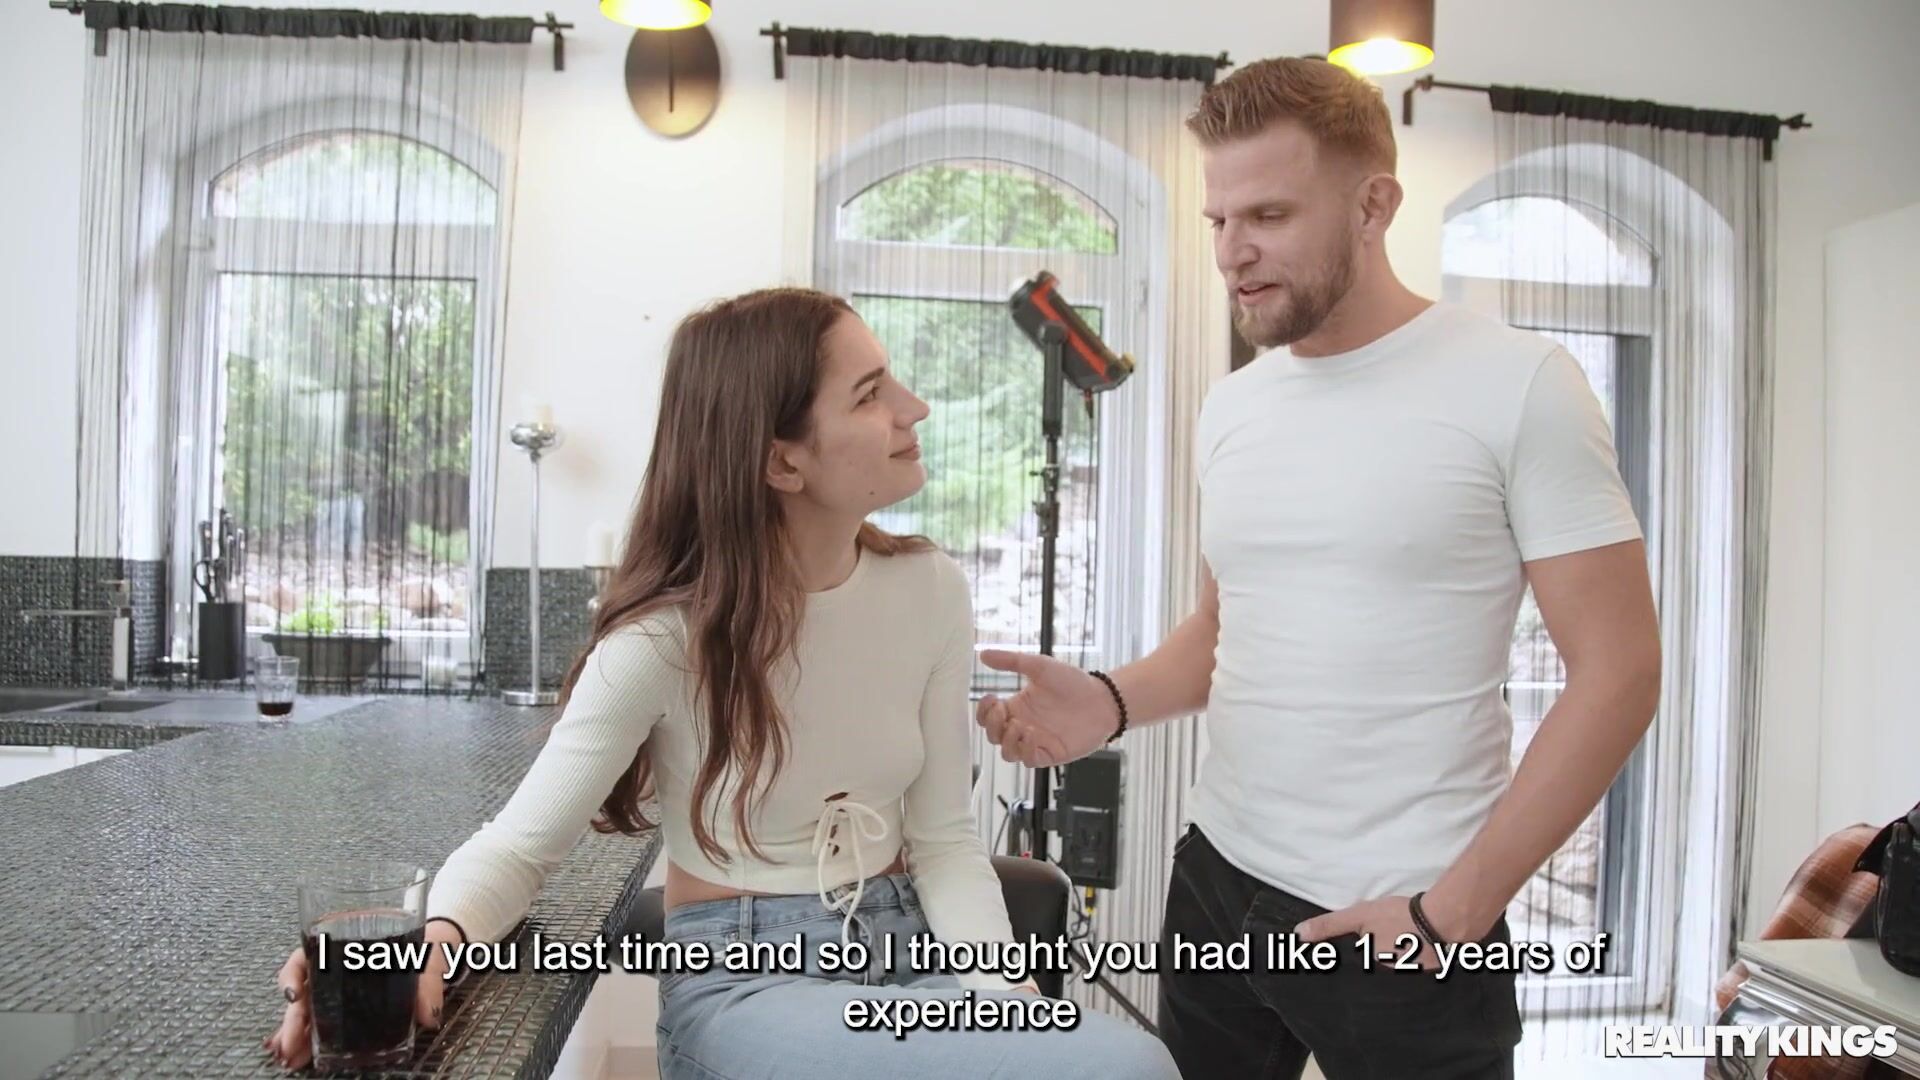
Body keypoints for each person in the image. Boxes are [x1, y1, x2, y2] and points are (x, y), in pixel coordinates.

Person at [263, 287, 1178, 1079]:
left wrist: (1003, 1000)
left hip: (912, 957)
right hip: (747, 982)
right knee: (1122, 1069)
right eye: (870, 394)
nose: (916, 407)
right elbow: (521, 846)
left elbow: (942, 841)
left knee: (1115, 1062)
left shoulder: (928, 589)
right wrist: (431, 944)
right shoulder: (662, 642)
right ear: (781, 461)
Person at [977, 57, 1663, 1079]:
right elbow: (1225, 633)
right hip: (1217, 880)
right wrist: (1109, 703)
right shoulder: (1236, 406)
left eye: (1269, 214)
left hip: (1407, 918)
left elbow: (1620, 674)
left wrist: (1455, 911)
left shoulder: (1521, 383)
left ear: (1373, 205)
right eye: (1219, 220)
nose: (1233, 250)